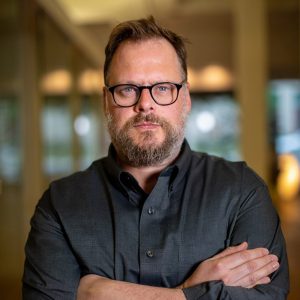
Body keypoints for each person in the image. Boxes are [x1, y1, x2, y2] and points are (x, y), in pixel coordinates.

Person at [22, 16, 289, 299]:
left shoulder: (242, 191)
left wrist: (96, 292)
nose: (145, 103)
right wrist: (194, 292)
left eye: (162, 88)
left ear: (185, 98)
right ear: (106, 101)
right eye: (127, 89)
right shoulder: (60, 204)